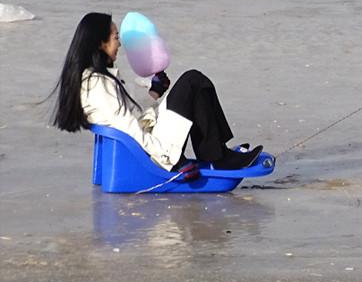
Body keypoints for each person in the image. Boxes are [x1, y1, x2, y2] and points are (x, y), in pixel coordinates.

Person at [51, 12, 262, 171]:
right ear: (101, 44)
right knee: (193, 80)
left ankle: (218, 153)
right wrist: (171, 159)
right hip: (150, 152)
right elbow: (129, 128)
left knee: (194, 84)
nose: (120, 43)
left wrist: (154, 93)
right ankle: (218, 158)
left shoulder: (95, 79)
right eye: (115, 37)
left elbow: (128, 114)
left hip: (148, 139)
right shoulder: (97, 84)